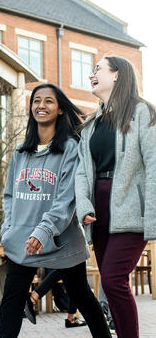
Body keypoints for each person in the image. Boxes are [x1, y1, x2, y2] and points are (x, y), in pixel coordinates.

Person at [0, 83, 111, 338]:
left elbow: (65, 198)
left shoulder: (70, 148)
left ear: (60, 109)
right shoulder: (20, 152)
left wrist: (45, 229)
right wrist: (8, 228)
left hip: (61, 241)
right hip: (22, 241)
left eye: (49, 101)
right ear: (31, 108)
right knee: (12, 303)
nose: (41, 105)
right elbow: (9, 196)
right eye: (37, 101)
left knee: (82, 295)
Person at [75, 55, 156, 338]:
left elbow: (154, 165)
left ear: (117, 75)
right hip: (100, 212)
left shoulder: (143, 112)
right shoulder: (91, 124)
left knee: (113, 279)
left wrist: (153, 219)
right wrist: (83, 206)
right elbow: (82, 172)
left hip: (131, 210)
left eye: (98, 69)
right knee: (110, 284)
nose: (91, 75)